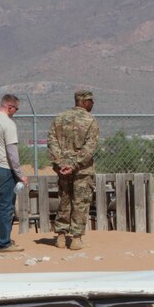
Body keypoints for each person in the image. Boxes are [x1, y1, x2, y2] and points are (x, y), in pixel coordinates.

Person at [48, 90, 99, 251]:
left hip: (63, 170)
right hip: (82, 170)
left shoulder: (59, 119)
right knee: (80, 202)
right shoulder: (90, 121)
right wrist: (74, 164)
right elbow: (89, 147)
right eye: (91, 101)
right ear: (84, 102)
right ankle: (76, 238)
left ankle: (61, 236)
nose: (92, 104)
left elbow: (52, 142)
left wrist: (61, 163)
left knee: (64, 200)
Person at [0, 94, 27, 253]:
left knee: (3, 202)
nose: (16, 111)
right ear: (10, 107)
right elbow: (12, 152)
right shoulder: (8, 123)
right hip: (3, 166)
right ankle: (3, 243)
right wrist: (20, 173)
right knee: (6, 204)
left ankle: (2, 237)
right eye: (16, 108)